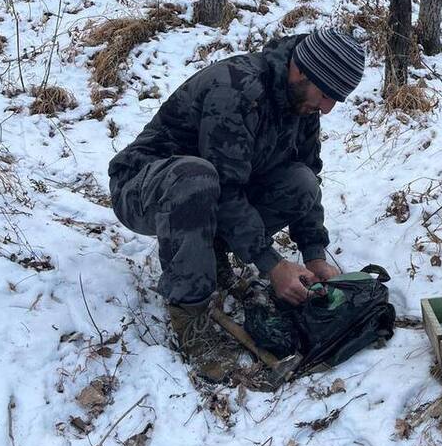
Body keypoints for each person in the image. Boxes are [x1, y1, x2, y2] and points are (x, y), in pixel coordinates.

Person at [108, 26, 365, 368]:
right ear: (301, 70)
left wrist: (314, 254)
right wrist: (272, 264)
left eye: (335, 99)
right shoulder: (236, 89)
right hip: (143, 188)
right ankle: (190, 317)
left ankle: (210, 251)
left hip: (209, 192)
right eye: (325, 94)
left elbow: (306, 173)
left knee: (300, 181)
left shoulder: (301, 103)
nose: (327, 108)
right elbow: (225, 190)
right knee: (196, 178)